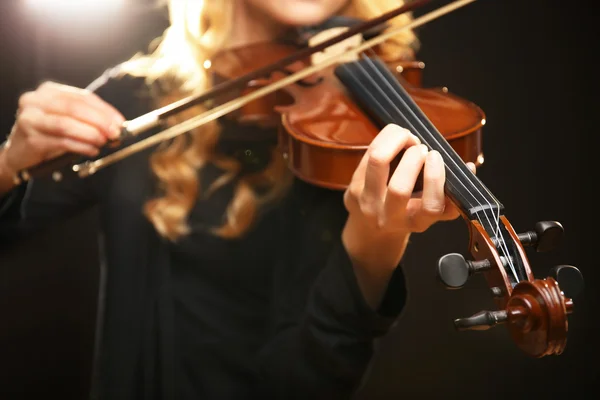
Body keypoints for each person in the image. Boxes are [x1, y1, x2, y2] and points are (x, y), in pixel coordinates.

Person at [0, 0, 475, 399]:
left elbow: (306, 383)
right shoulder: (136, 98)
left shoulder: (353, 131)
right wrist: (7, 164)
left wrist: (375, 242)